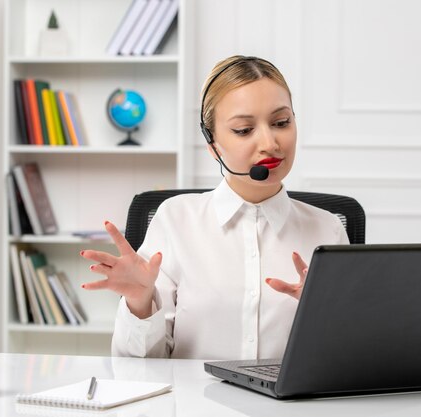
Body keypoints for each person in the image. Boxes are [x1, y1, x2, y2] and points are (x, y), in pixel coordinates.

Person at [80, 56, 349, 359]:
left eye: (281, 123)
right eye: (244, 129)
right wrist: (140, 303)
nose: (270, 142)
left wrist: (327, 319)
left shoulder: (330, 229)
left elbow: (344, 365)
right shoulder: (175, 220)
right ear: (213, 144)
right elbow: (140, 369)